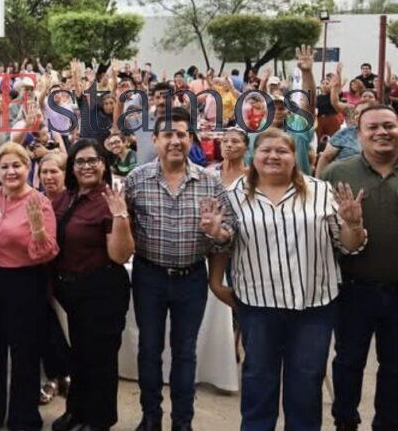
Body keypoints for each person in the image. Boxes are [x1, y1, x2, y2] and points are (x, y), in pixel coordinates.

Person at [207, 128, 366, 430]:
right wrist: (216, 235)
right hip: (258, 306)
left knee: (306, 386)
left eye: (282, 150)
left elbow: (348, 244)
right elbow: (224, 241)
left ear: (296, 157)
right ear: (253, 156)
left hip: (314, 306)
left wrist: (354, 225)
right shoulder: (233, 195)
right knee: (258, 385)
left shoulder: (320, 191)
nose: (273, 156)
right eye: (266, 150)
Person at [125, 107, 235, 431]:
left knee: (185, 352)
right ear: (155, 140)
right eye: (168, 135)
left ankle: (182, 421)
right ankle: (150, 417)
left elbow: (227, 235)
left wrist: (217, 231)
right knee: (149, 349)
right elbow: (123, 226)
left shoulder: (210, 182)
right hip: (149, 276)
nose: (175, 141)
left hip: (191, 277)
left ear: (191, 140)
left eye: (182, 135)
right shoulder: (136, 180)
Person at [0, 142, 58, 431]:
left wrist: (38, 230)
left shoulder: (39, 202)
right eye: (4, 166)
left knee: (25, 353)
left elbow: (48, 252)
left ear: (27, 168)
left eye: (16, 165)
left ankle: (24, 418)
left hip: (26, 282)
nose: (10, 171)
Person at [321, 104, 398, 431]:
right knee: (348, 362)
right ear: (359, 134)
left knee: (395, 367)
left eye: (389, 126)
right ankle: (345, 422)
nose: (382, 132)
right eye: (374, 128)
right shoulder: (338, 173)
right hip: (353, 289)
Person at [50, 140, 134, 431]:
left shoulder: (109, 199)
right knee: (79, 355)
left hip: (102, 289)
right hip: (72, 291)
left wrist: (121, 216)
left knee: (100, 359)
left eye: (92, 160)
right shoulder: (66, 197)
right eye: (80, 161)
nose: (86, 166)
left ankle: (99, 420)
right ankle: (77, 410)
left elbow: (120, 255)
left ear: (104, 164)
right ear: (72, 167)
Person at [36, 152, 72, 407]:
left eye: (54, 171)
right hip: (39, 275)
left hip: (69, 275)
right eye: (44, 172)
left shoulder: (73, 201)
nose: (49, 177)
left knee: (69, 331)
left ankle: (67, 374)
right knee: (46, 328)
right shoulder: (34, 200)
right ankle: (52, 376)